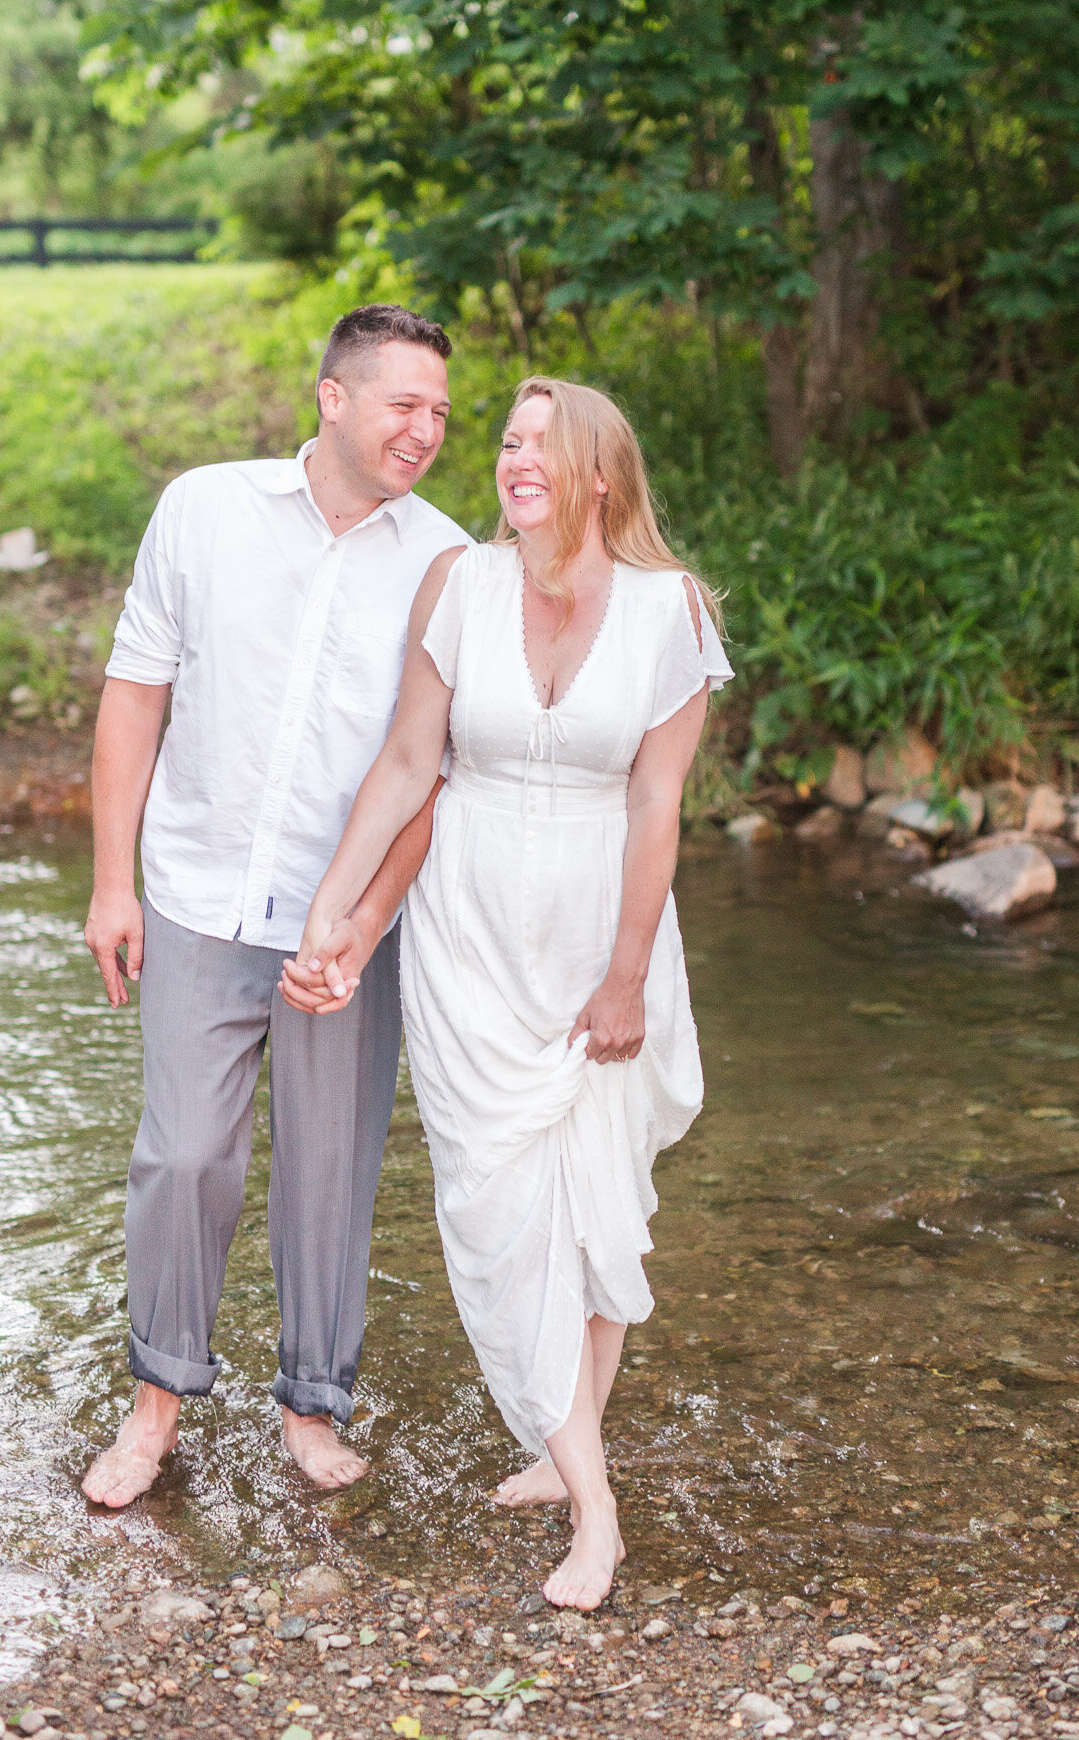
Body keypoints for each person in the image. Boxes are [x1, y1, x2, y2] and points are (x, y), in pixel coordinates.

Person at [284, 377, 731, 1608]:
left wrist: (629, 969)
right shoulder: (462, 586)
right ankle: (600, 1509)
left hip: (602, 931)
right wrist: (335, 903)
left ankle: (562, 1451)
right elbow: (407, 760)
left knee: (592, 1206)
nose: (510, 459)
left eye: (537, 443)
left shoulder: (669, 610)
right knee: (495, 1207)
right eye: (506, 441)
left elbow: (656, 800)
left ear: (598, 472)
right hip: (468, 934)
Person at [80, 303, 468, 1507]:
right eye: (405, 404)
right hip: (196, 892)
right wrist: (111, 879)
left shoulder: (450, 560)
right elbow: (135, 694)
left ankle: (313, 1402)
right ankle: (157, 1403)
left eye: (443, 414)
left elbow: (431, 772)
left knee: (330, 1168)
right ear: (334, 395)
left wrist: (359, 923)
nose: (426, 430)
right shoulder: (204, 508)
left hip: (345, 918)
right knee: (183, 1153)